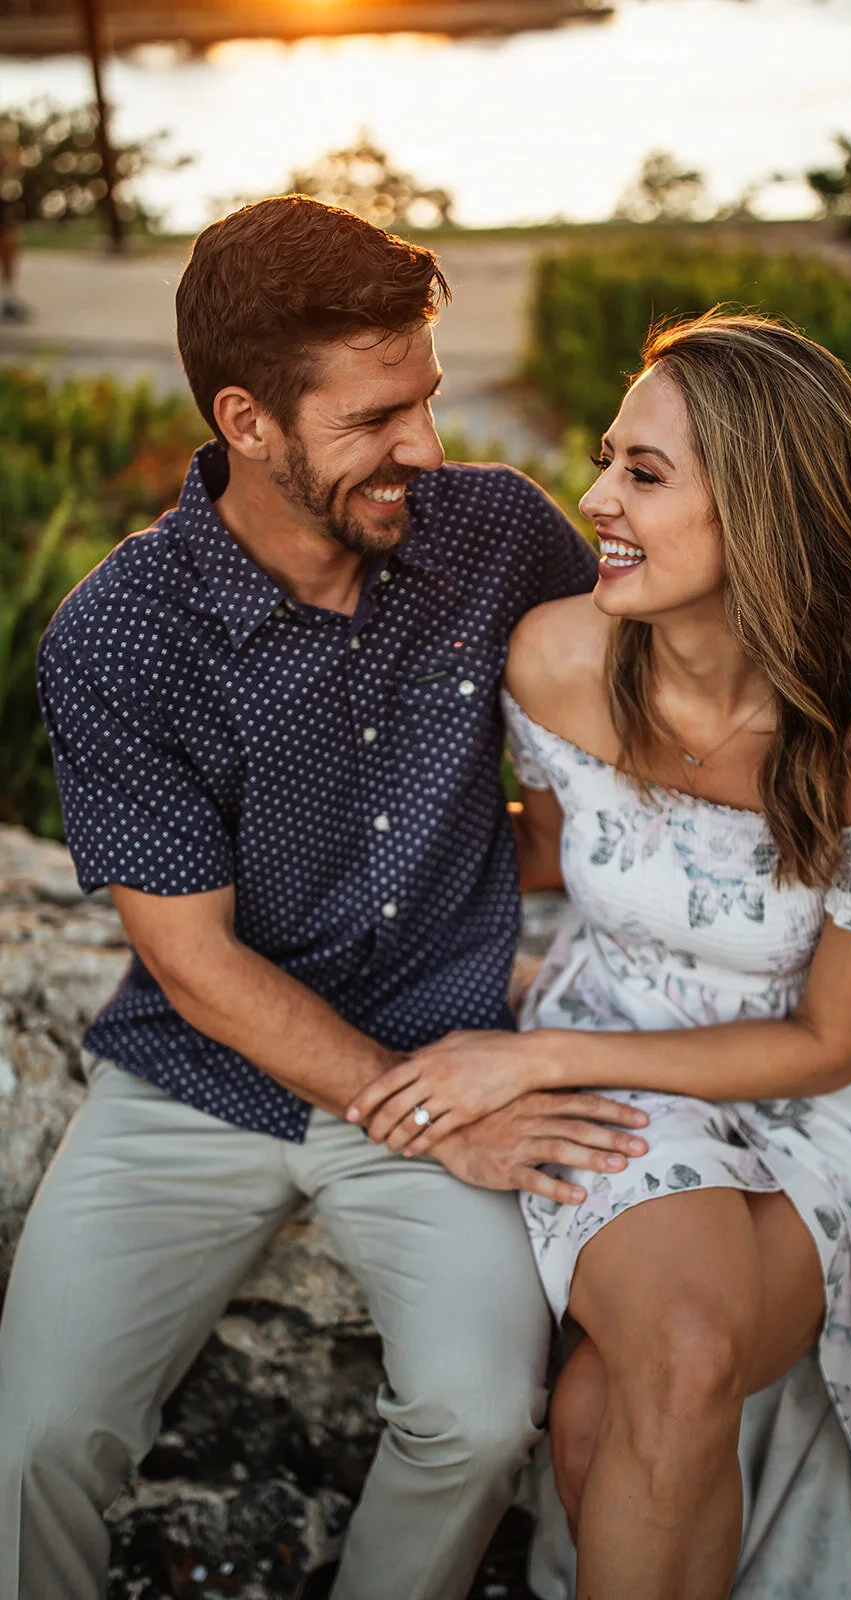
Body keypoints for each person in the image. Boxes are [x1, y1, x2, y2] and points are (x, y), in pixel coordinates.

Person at [0, 195, 652, 1600]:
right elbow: (193, 965)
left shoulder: (491, 538)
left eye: (421, 396)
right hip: (196, 1079)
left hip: (447, 1050)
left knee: (479, 1425)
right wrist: (416, 1114)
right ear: (246, 420)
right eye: (375, 417)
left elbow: (659, 690)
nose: (424, 442)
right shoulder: (118, 638)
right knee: (34, 1444)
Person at [349, 312, 851, 1600]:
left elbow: (829, 1043)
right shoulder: (560, 661)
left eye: (645, 474)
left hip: (814, 1093)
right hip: (624, 1060)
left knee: (613, 1415)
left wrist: (528, 1058)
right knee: (682, 1359)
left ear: (768, 510)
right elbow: (531, 853)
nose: (593, 498)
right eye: (606, 458)